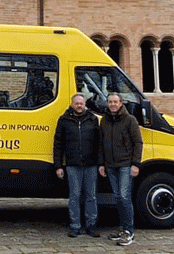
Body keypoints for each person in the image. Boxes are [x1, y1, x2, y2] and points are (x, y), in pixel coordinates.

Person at [98, 92, 143, 246]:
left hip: (125, 164)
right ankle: (123, 228)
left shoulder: (130, 120)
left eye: (115, 102)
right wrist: (102, 164)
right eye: (110, 102)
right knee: (117, 198)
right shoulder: (104, 121)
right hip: (110, 166)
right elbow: (101, 144)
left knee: (124, 197)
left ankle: (129, 231)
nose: (113, 104)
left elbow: (138, 142)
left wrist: (136, 164)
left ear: (121, 103)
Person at [53, 93, 100, 238]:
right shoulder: (64, 120)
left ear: (85, 104)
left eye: (81, 103)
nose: (79, 106)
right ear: (72, 104)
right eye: (76, 103)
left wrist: (101, 163)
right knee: (74, 197)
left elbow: (99, 144)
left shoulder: (93, 119)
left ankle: (91, 226)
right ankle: (75, 226)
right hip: (72, 165)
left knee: (91, 197)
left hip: (91, 165)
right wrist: (58, 165)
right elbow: (58, 145)